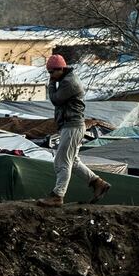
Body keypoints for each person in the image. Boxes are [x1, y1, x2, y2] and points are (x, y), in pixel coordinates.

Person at [37, 54, 111, 207]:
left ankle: (58, 195)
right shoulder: (66, 80)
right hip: (71, 126)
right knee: (73, 161)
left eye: (52, 72)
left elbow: (55, 99)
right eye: (49, 73)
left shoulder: (70, 83)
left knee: (62, 160)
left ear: (61, 69)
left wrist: (51, 84)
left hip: (73, 126)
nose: (51, 75)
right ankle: (98, 183)